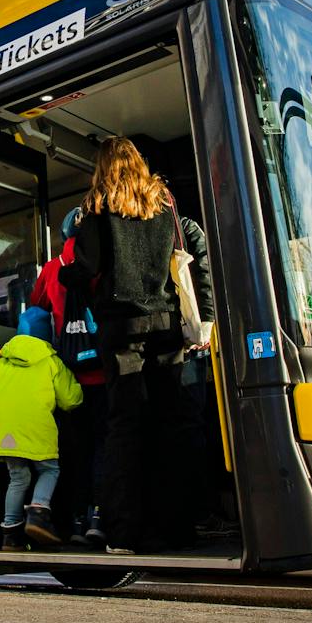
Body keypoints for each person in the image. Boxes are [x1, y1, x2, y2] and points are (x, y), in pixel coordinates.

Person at [71, 137, 214, 555]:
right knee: (171, 422)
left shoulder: (97, 206)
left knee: (124, 426)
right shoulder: (163, 201)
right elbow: (180, 252)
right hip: (166, 324)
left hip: (120, 329)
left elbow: (88, 267)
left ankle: (124, 531)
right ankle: (175, 527)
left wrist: (69, 278)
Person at [32, 208, 108, 544]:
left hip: (67, 378)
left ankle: (75, 520)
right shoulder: (102, 264)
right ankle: (99, 516)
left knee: (74, 451)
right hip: (103, 372)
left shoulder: (52, 269)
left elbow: (36, 311)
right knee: (104, 446)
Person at [0, 307, 83, 549]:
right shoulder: (51, 362)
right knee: (49, 470)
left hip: (6, 432)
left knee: (18, 478)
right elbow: (70, 399)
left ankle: (11, 533)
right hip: (39, 430)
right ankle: (38, 512)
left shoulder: (0, 362)